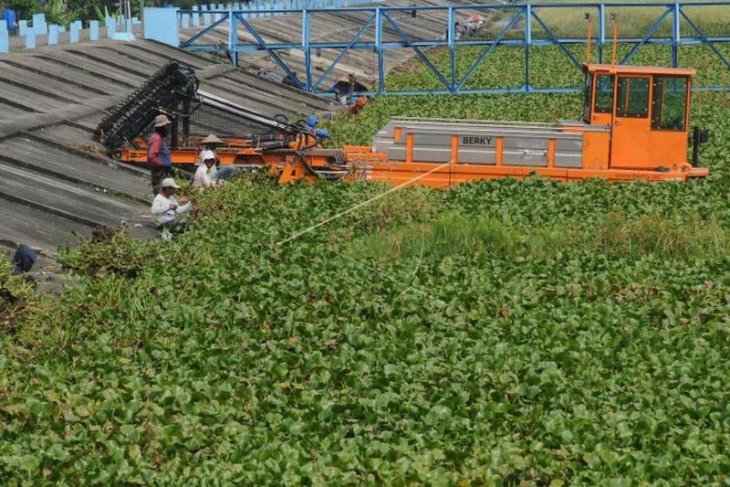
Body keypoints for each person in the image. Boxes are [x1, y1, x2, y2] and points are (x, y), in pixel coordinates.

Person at [147, 114, 173, 195]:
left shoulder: (158, 138)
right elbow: (151, 156)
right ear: (161, 128)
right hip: (160, 171)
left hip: (161, 170)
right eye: (166, 126)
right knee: (161, 193)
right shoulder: (157, 138)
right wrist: (162, 164)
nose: (167, 129)